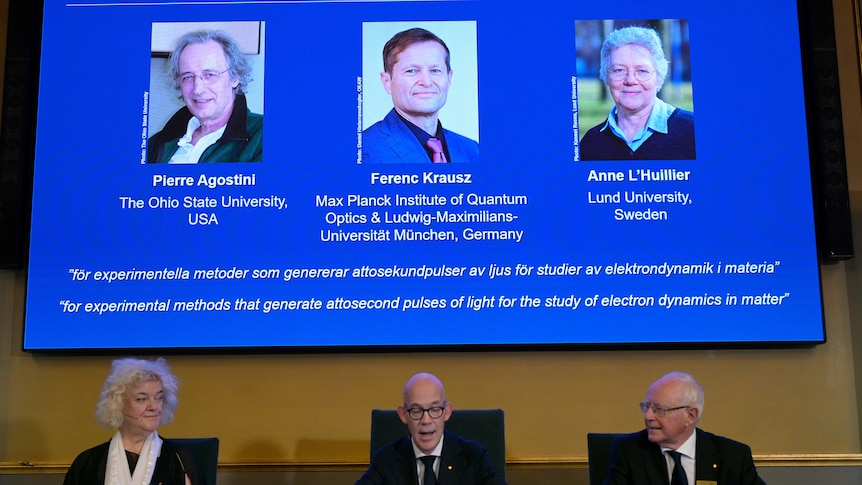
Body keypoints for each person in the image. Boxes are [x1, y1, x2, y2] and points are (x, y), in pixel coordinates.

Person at [603, 371, 765, 485]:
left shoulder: (733, 456)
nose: (648, 416)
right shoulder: (629, 451)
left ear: (690, 416)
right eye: (647, 407)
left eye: (659, 410)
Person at [64, 357, 206, 485]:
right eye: (142, 399)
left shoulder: (181, 460)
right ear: (118, 404)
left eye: (159, 398)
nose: (154, 407)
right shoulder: (88, 463)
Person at [355, 372, 506, 485]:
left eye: (434, 410)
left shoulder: (473, 457)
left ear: (446, 411)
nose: (426, 420)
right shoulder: (386, 460)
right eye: (416, 411)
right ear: (403, 415)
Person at [362, 28, 479, 164]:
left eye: (435, 70)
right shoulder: (363, 151)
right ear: (387, 82)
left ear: (449, 78)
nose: (426, 82)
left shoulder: (473, 150)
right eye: (411, 71)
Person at [579, 26, 695, 160]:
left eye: (642, 71)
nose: (630, 80)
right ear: (606, 77)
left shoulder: (693, 131)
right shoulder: (591, 143)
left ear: (658, 77)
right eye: (619, 70)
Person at [148, 29, 263, 163]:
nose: (198, 89)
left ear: (235, 77)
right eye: (188, 77)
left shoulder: (263, 137)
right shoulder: (156, 144)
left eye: (210, 75)